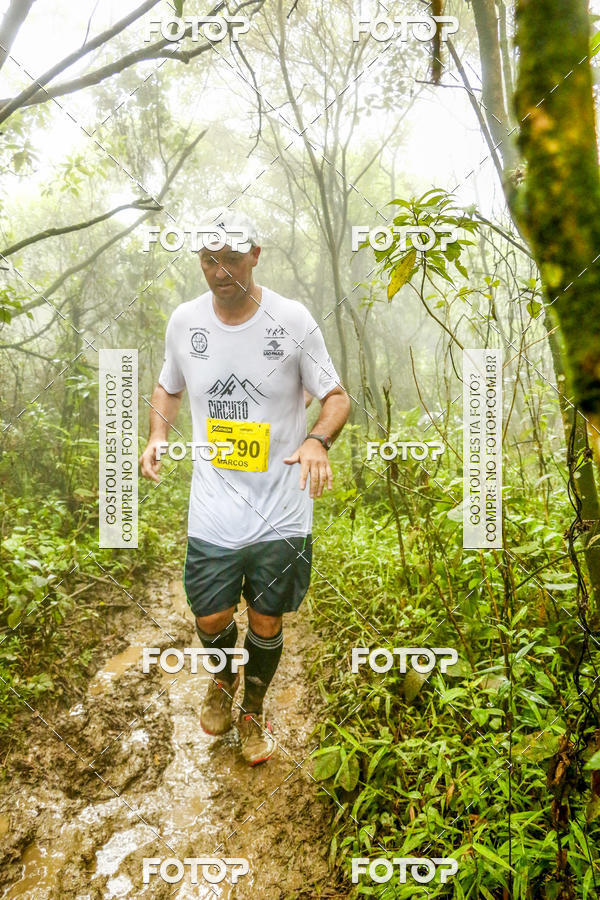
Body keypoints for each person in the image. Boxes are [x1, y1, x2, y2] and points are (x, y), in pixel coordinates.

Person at [139, 208, 350, 765]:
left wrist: (317, 443)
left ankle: (253, 711)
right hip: (213, 505)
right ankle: (223, 678)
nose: (220, 270)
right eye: (209, 260)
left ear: (255, 255)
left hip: (280, 507)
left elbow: (337, 397)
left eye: (231, 258)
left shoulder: (293, 319)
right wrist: (158, 433)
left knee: (266, 618)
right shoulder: (185, 322)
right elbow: (167, 386)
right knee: (210, 615)